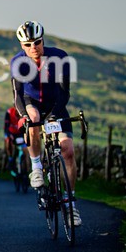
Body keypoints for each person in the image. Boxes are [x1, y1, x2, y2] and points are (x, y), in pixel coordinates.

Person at [11, 20, 81, 226]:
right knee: (32, 119)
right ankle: (36, 168)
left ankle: (70, 205)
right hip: (31, 103)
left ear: (43, 40)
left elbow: (64, 92)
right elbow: (18, 95)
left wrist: (52, 116)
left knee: (67, 150)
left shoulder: (59, 57)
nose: (34, 47)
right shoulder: (18, 62)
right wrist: (24, 113)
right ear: (22, 46)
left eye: (37, 42)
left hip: (56, 105)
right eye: (28, 44)